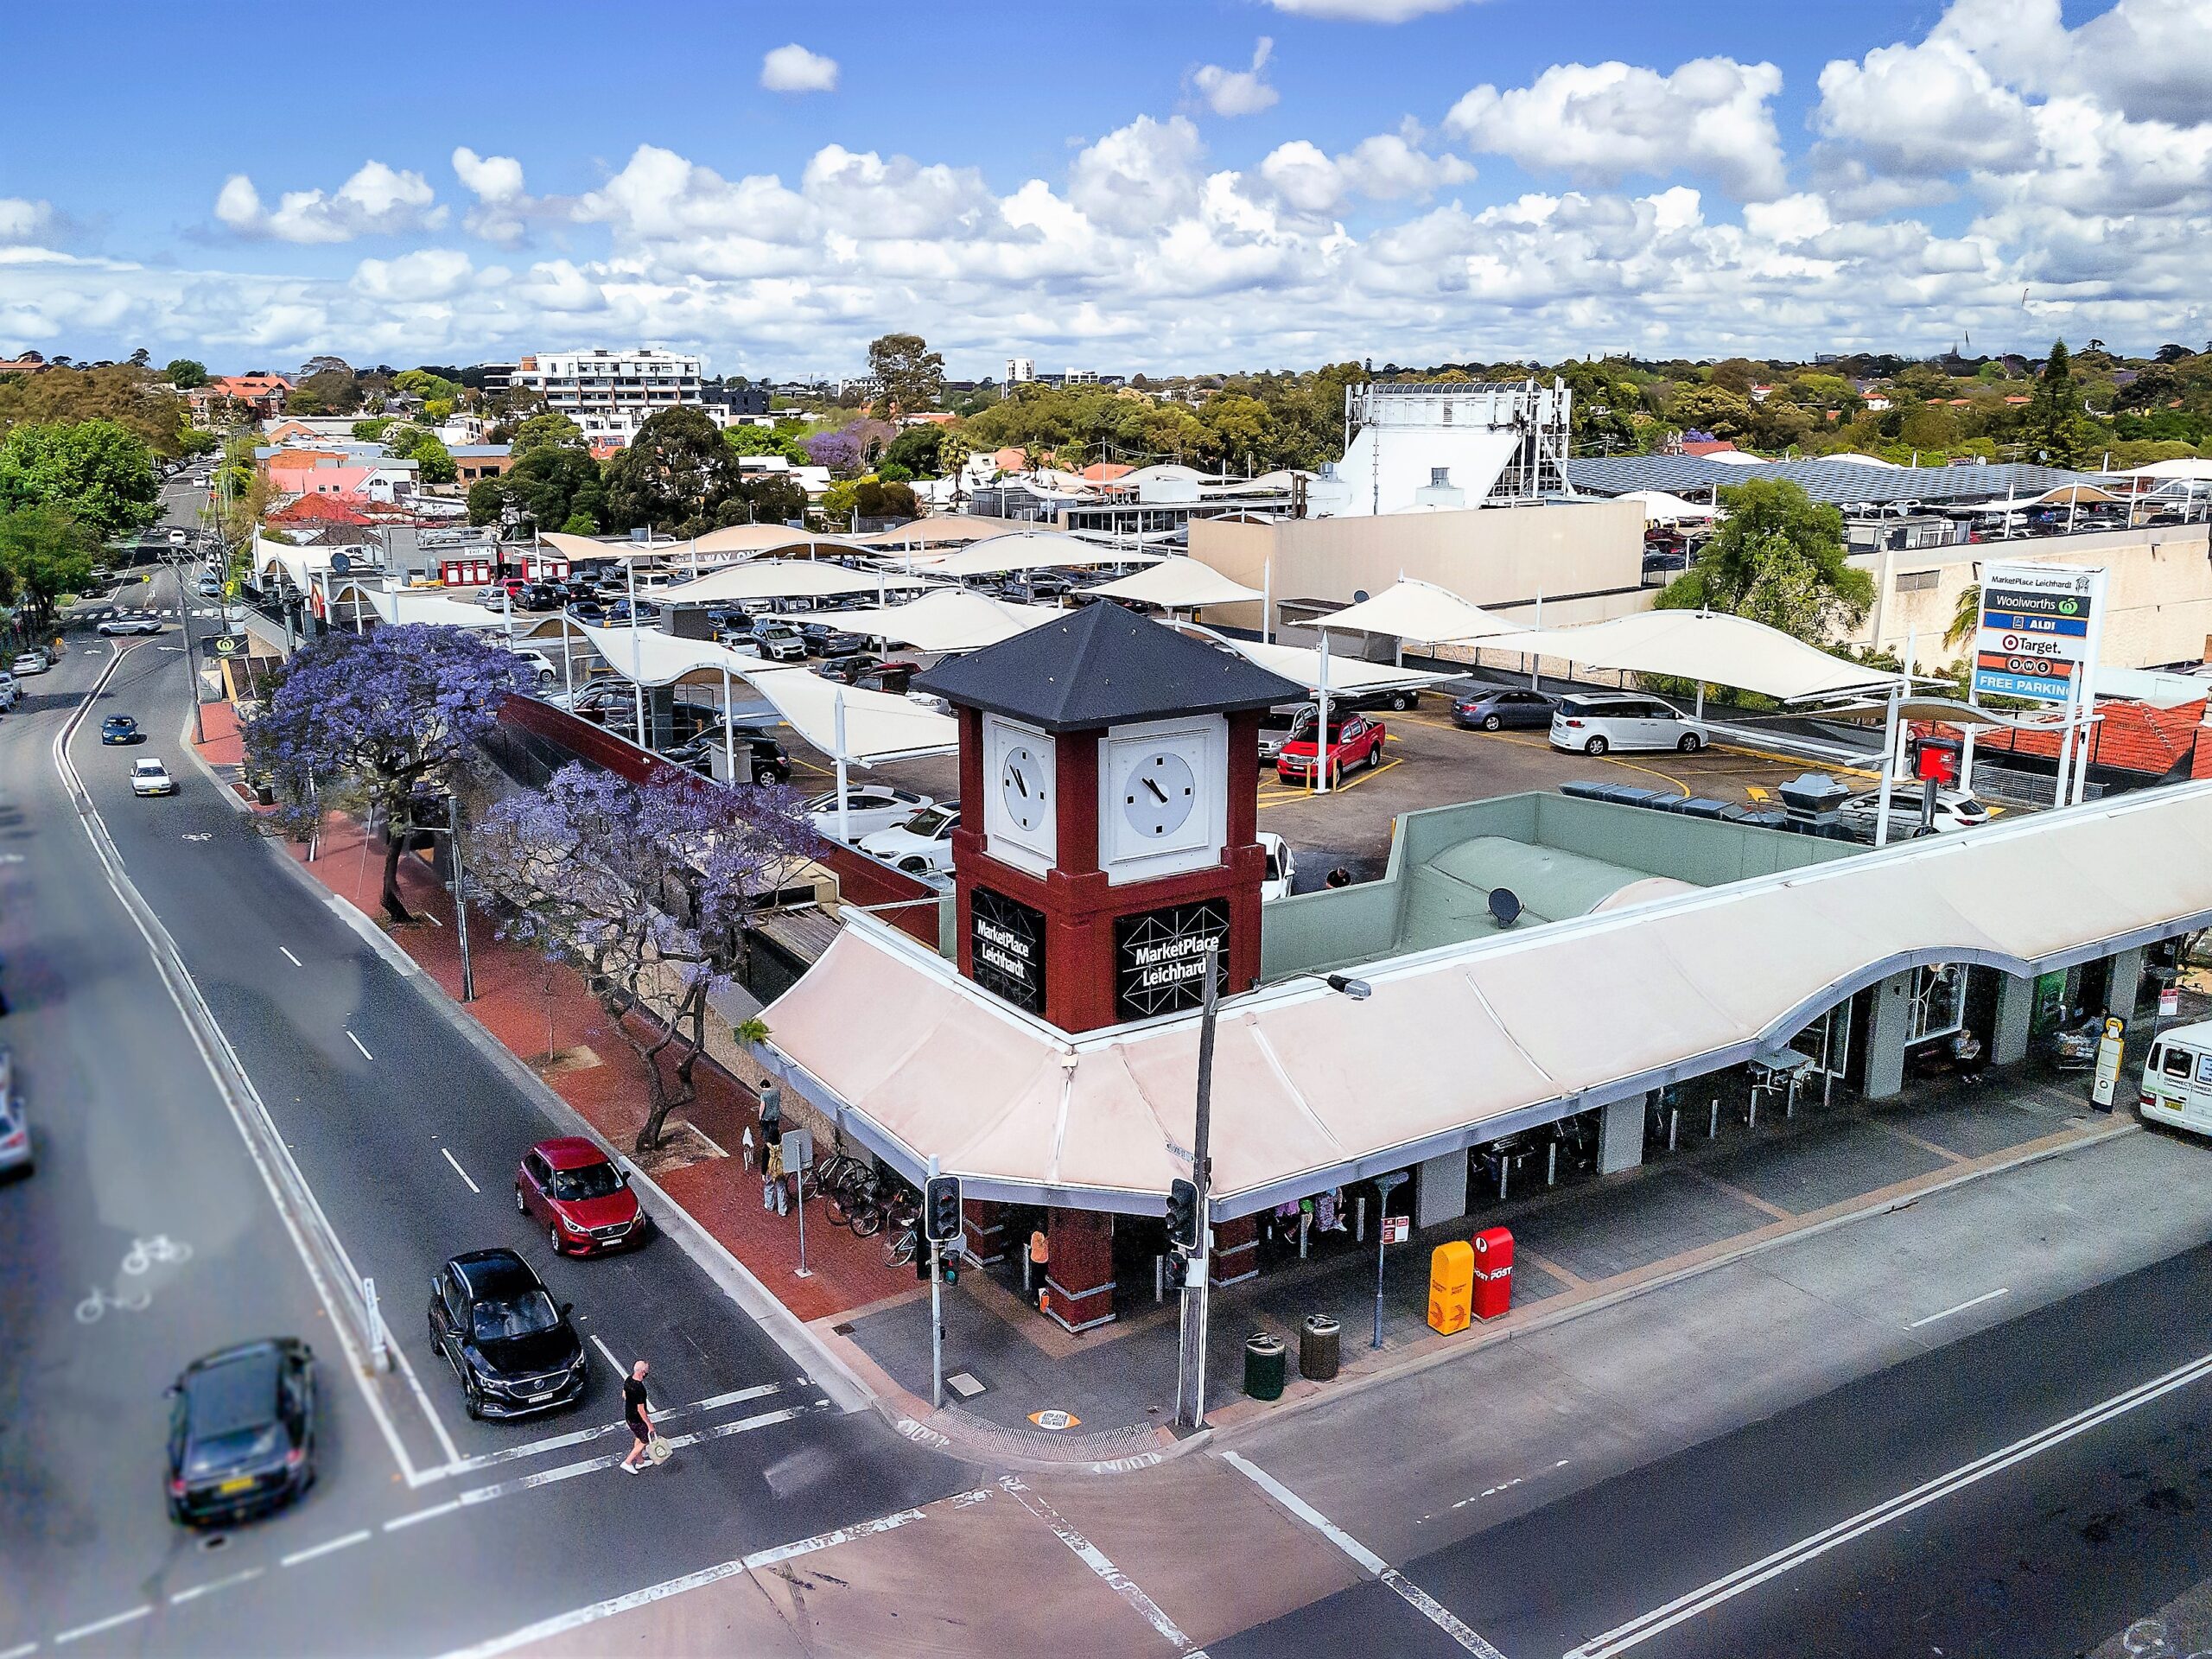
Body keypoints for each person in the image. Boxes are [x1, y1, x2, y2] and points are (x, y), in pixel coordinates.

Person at [618, 1359, 655, 1474]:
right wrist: (650, 1425)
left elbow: (624, 1394)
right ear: (642, 1372)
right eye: (646, 1370)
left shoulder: (629, 1380)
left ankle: (640, 1462)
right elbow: (641, 1410)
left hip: (629, 1415)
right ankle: (628, 1462)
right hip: (637, 1419)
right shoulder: (640, 1389)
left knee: (638, 1437)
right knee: (644, 1441)